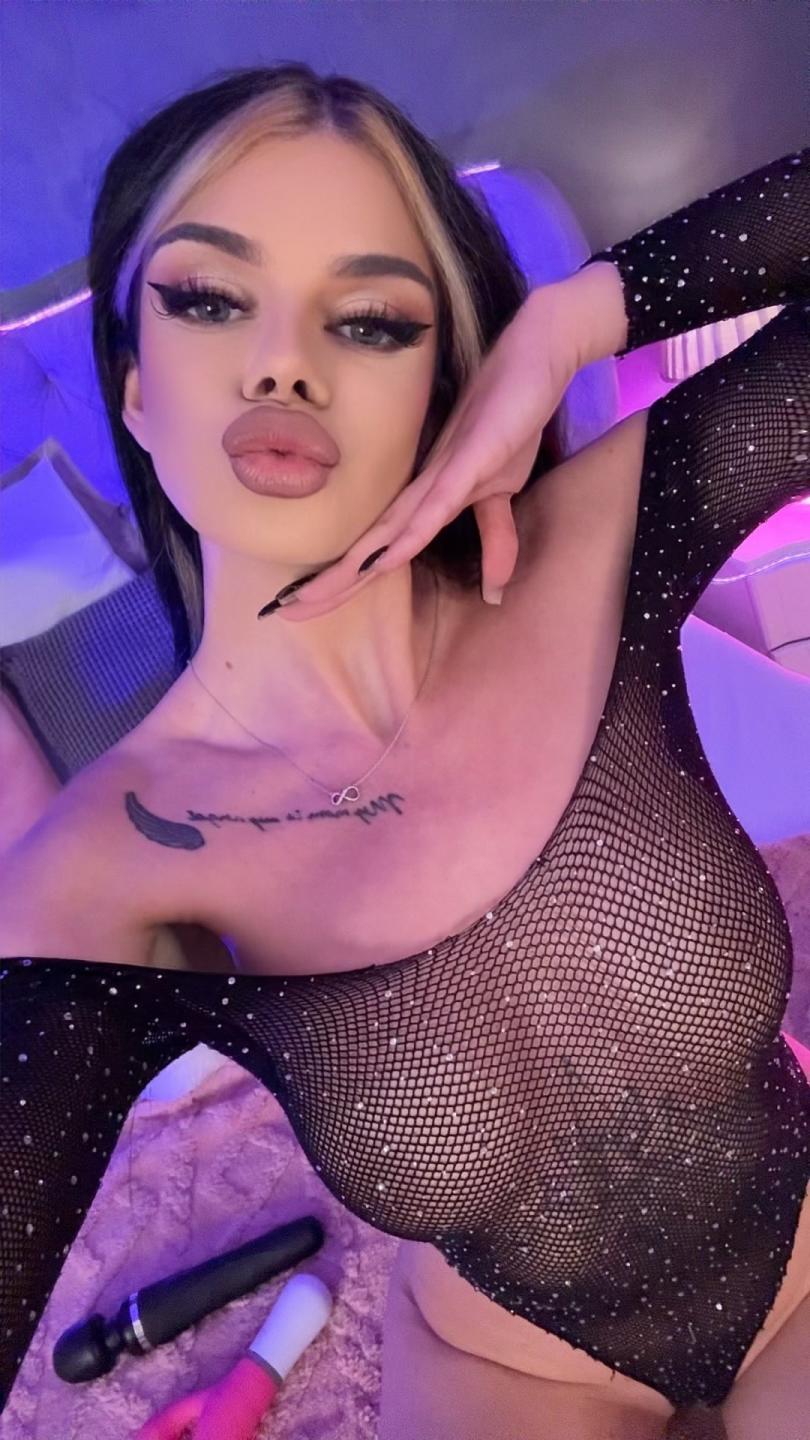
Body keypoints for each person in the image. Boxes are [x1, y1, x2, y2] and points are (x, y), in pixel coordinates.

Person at [1, 62, 808, 1439]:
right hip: (514, 1369)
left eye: (371, 318)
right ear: (133, 390)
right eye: (209, 298)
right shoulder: (103, 871)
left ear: (443, 380)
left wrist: (576, 317)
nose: (283, 363)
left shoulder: (602, 540)